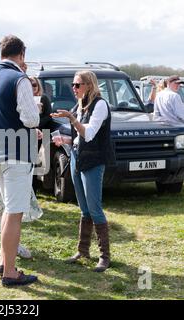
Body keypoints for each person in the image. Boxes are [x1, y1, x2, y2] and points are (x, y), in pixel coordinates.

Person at [0, 35, 40, 286]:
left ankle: (2, 261)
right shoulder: (19, 79)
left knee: (8, 209)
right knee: (15, 213)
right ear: (22, 54)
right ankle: (9, 272)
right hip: (17, 153)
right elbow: (30, 119)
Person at [51, 70, 115, 272]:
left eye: (77, 85)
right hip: (78, 158)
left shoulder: (100, 105)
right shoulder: (80, 106)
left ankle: (105, 257)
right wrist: (65, 140)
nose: (73, 88)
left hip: (93, 160)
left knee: (95, 208)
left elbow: (88, 133)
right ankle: (83, 250)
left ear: (89, 85)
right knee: (84, 209)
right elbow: (79, 138)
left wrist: (71, 118)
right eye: (73, 84)